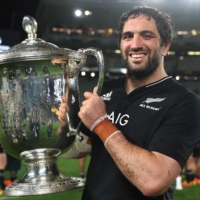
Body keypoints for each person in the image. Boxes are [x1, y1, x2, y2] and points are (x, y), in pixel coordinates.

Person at [58, 6, 200, 200]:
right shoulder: (105, 90)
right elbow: (78, 150)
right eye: (128, 36)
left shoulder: (184, 102)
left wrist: (101, 122)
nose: (135, 44)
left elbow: (153, 181)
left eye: (147, 35)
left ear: (165, 46)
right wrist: (66, 126)